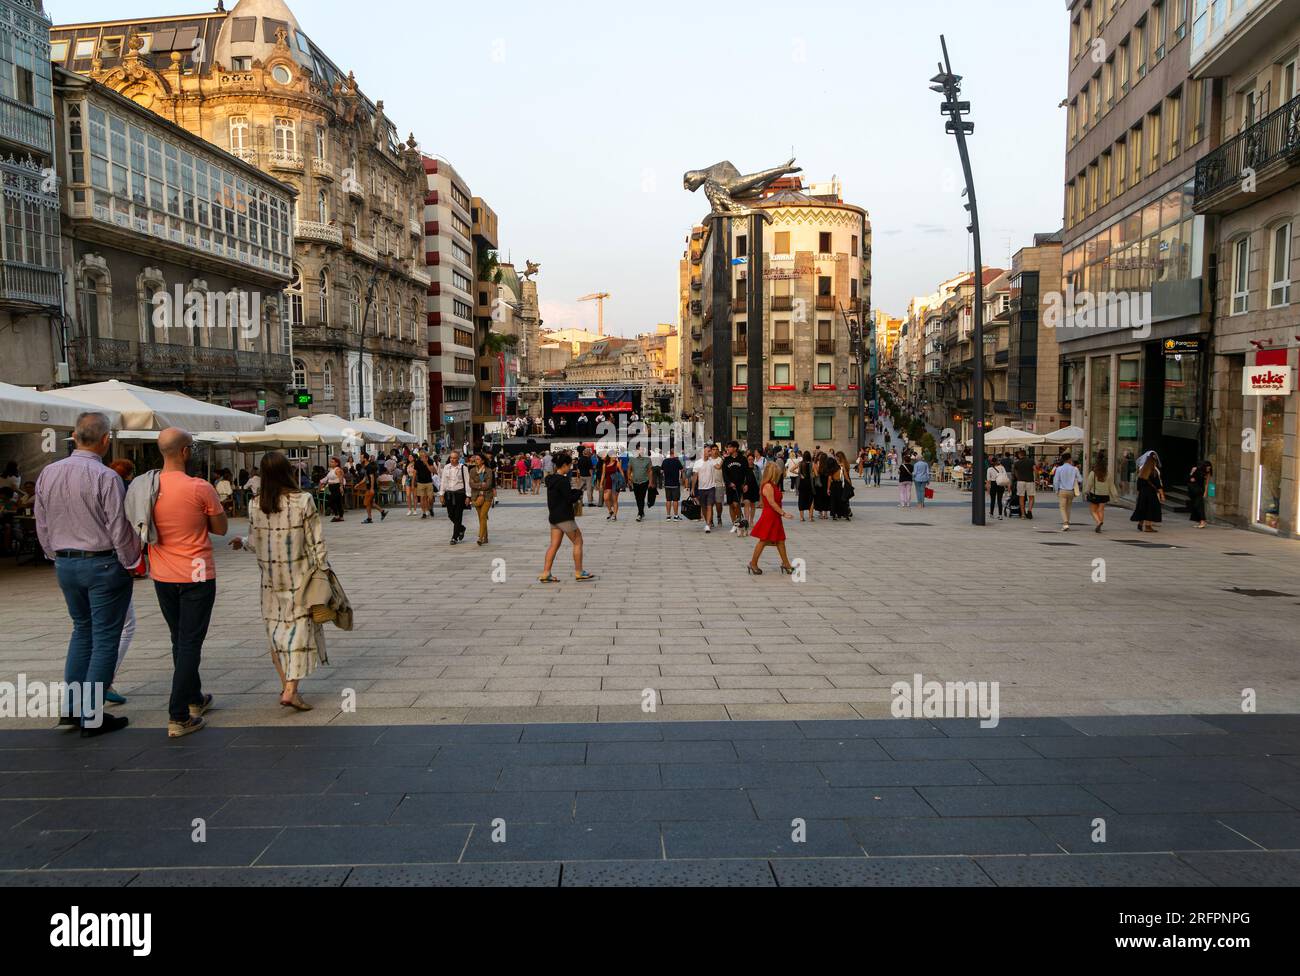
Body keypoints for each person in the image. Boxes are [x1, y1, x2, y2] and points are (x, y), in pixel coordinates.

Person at [35, 412, 141, 737]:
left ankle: (72, 707)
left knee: (81, 631)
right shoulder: (106, 477)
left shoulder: (47, 473)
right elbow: (118, 526)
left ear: (74, 436)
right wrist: (131, 562)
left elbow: (42, 522)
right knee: (106, 638)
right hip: (102, 563)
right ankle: (92, 713)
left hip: (66, 563)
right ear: (106, 440)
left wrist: (55, 555)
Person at [230, 452, 333, 711]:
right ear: (287, 471)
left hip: (270, 580)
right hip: (301, 577)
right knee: (299, 631)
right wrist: (324, 570)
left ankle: (285, 684)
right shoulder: (303, 500)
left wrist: (242, 542)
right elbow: (316, 541)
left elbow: (254, 542)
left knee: (275, 633)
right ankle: (291, 689)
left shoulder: (256, 504)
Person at [148, 427, 225, 738]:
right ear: (184, 452)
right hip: (196, 573)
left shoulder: (147, 487)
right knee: (190, 641)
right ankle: (178, 715)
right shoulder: (199, 487)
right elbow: (219, 528)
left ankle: (194, 698)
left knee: (178, 638)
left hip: (162, 574)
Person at [539, 451, 595, 582]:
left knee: (554, 545)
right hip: (564, 517)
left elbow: (561, 495)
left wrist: (573, 492)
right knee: (578, 541)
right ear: (564, 465)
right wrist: (578, 493)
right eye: (569, 465)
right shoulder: (563, 480)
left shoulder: (550, 479)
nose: (570, 468)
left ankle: (546, 573)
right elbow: (569, 498)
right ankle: (579, 571)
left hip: (554, 517)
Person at [746, 461, 795, 576]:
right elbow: (772, 503)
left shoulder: (771, 484)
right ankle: (753, 563)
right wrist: (784, 513)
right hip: (770, 515)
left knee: (780, 540)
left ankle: (786, 564)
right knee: (764, 540)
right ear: (773, 473)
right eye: (777, 472)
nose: (779, 474)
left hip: (774, 516)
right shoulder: (768, 486)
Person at [1130, 453, 1165, 532]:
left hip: (1143, 492)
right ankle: (1148, 526)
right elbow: (1158, 485)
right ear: (1153, 462)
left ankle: (1140, 523)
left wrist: (1139, 492)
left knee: (1143, 508)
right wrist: (1162, 495)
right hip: (1151, 493)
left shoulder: (1142, 471)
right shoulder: (1153, 472)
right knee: (1150, 509)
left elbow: (1138, 484)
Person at [1084, 454, 1118, 533]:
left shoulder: (1093, 473)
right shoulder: (1108, 474)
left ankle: (1098, 522)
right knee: (1101, 510)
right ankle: (1100, 524)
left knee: (1093, 510)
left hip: (1095, 494)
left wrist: (1086, 491)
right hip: (1105, 495)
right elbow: (1111, 486)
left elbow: (1089, 484)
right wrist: (1115, 496)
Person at [692, 444, 721, 533]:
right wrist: (692, 488)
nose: (710, 452)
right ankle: (707, 521)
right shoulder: (698, 463)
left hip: (711, 487)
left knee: (709, 506)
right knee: (703, 507)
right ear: (703, 452)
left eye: (710, 451)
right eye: (708, 451)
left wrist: (722, 458)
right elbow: (695, 477)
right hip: (701, 488)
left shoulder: (712, 461)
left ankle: (708, 524)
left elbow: (718, 467)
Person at [441, 449, 468, 544]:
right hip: (449, 494)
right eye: (451, 458)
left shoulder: (463, 468)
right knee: (450, 514)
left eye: (455, 458)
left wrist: (468, 496)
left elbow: (467, 482)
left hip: (460, 494)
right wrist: (441, 494)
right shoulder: (446, 467)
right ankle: (461, 528)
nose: (452, 460)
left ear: (458, 458)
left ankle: (454, 537)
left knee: (458, 515)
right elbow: (443, 481)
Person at [469, 451, 496, 545]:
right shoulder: (472, 470)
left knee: (483, 515)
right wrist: (481, 484)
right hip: (476, 496)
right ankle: (486, 537)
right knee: (481, 517)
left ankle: (480, 537)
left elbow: (488, 484)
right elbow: (471, 484)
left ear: (483, 461)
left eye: (478, 459)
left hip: (487, 496)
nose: (476, 461)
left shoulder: (488, 470)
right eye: (475, 459)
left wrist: (477, 485)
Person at [1052, 452, 1082, 531]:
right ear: (1069, 459)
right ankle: (1067, 522)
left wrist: (1056, 490)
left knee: (1062, 507)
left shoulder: (1059, 469)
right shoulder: (1075, 469)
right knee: (1068, 507)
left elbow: (1055, 481)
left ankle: (1065, 523)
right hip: (1071, 491)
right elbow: (1080, 479)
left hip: (1062, 490)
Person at [722, 441, 747, 533]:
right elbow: (724, 474)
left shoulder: (742, 459)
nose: (728, 449)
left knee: (737, 504)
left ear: (735, 448)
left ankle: (739, 521)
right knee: (731, 505)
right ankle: (734, 524)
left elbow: (746, 472)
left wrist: (745, 484)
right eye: (727, 447)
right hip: (729, 486)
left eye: (729, 447)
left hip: (739, 486)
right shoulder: (726, 460)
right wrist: (729, 483)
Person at [360, 452, 387, 525]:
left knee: (367, 503)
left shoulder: (369, 467)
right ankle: (382, 512)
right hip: (369, 487)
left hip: (371, 487)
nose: (360, 459)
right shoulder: (365, 466)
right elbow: (366, 478)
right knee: (371, 503)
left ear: (365, 459)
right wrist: (359, 484)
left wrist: (372, 488)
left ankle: (370, 518)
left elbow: (372, 477)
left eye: (361, 457)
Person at [627, 446, 653, 521]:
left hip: (644, 481)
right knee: (637, 498)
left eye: (642, 450)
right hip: (635, 481)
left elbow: (650, 471)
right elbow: (629, 469)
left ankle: (640, 514)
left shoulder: (648, 459)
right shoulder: (632, 459)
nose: (641, 451)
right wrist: (629, 478)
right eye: (639, 450)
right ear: (637, 451)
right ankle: (641, 512)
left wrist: (650, 482)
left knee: (642, 497)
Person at [599, 451, 624, 521]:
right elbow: (603, 475)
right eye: (614, 455)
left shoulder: (617, 463)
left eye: (616, 455)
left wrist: (622, 483)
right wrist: (601, 484)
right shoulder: (605, 464)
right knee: (606, 498)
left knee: (614, 500)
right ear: (609, 456)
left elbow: (622, 473)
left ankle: (615, 515)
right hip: (608, 483)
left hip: (615, 483)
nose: (615, 456)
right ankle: (610, 511)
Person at [661, 448, 684, 520]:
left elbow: (661, 471)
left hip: (667, 483)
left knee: (668, 500)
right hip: (675, 483)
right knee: (675, 500)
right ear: (675, 454)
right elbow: (682, 469)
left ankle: (668, 516)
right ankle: (676, 516)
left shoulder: (665, 461)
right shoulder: (677, 461)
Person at [321, 456, 346, 523]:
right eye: (330, 462)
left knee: (331, 501)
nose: (331, 463)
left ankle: (336, 515)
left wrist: (341, 486)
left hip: (336, 486)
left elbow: (340, 478)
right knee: (338, 502)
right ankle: (341, 517)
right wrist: (324, 483)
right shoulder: (331, 470)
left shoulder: (338, 469)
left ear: (336, 463)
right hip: (332, 487)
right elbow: (328, 478)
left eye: (332, 462)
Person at [1188, 460, 1212, 529]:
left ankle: (1203, 521)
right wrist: (1191, 476)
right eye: (1208, 467)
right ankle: (1200, 522)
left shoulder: (1207, 473)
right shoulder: (1195, 469)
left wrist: (1205, 493)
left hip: (1200, 490)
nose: (1209, 468)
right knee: (1195, 505)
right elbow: (1189, 477)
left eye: (1209, 467)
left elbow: (1207, 484)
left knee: (1199, 505)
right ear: (1204, 466)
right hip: (1192, 489)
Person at [1012, 450, 1036, 519]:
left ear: (1020, 455)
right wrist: (1037, 479)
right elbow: (1035, 470)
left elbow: (1015, 472)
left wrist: (1018, 477)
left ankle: (1023, 514)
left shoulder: (1017, 463)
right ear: (1025, 454)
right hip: (1030, 481)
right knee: (1031, 497)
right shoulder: (1031, 461)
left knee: (1021, 497)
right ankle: (1029, 510)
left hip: (1020, 481)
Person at [412, 450, 435, 519]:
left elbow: (432, 471)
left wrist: (426, 463)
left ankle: (430, 508)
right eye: (421, 455)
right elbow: (414, 473)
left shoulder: (430, 461)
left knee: (430, 498)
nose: (422, 457)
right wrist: (413, 483)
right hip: (420, 482)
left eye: (423, 455)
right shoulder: (417, 462)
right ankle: (424, 512)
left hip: (429, 482)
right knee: (422, 498)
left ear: (426, 455)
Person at [987, 455, 1010, 519]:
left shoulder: (989, 469)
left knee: (992, 500)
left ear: (991, 462)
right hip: (1000, 484)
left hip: (993, 484)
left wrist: (988, 490)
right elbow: (1005, 476)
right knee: (999, 500)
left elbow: (988, 481)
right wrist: (1008, 487)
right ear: (997, 462)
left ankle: (991, 513)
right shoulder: (1002, 468)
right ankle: (1000, 515)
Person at [797, 450, 814, 521]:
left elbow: (797, 472)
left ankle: (801, 517)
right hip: (809, 483)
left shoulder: (800, 463)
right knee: (811, 500)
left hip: (802, 483)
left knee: (801, 499)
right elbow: (814, 474)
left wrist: (800, 475)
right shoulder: (811, 464)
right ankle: (810, 517)